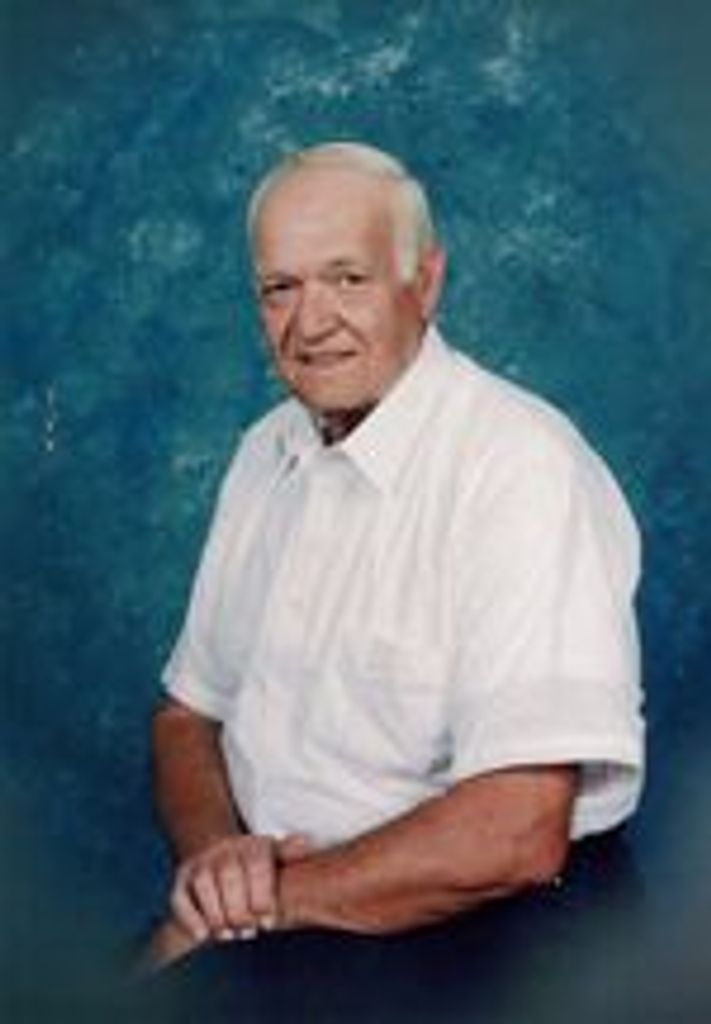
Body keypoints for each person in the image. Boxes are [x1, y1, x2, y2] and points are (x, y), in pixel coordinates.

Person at [146, 141, 644, 975]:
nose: (310, 323)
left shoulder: (519, 467)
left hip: (484, 935)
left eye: (347, 279)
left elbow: (517, 830)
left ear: (425, 282)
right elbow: (185, 717)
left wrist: (260, 905)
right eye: (279, 288)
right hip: (280, 906)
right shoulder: (264, 452)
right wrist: (218, 866)